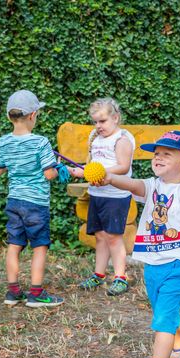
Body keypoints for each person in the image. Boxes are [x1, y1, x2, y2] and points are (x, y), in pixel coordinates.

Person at [100, 130, 180, 358]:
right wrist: (109, 177)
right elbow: (132, 184)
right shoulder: (152, 185)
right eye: (156, 154)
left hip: (178, 263)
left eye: (166, 155)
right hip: (153, 264)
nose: (157, 158)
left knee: (164, 317)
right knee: (164, 313)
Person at [0, 89, 64, 307]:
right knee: (39, 246)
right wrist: (59, 167)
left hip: (14, 201)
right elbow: (49, 174)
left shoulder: (4, 141)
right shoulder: (41, 142)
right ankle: (36, 294)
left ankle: (13, 292)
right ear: (33, 115)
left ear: (9, 116)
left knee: (14, 245)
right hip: (35, 203)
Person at [68, 98, 135, 296]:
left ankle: (120, 277)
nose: (98, 126)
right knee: (99, 235)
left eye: (102, 121)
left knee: (114, 236)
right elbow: (92, 164)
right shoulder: (96, 138)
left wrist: (96, 173)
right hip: (97, 193)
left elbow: (123, 167)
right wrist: (82, 171)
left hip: (115, 195)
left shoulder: (122, 139)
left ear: (115, 118)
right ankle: (99, 273)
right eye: (95, 122)